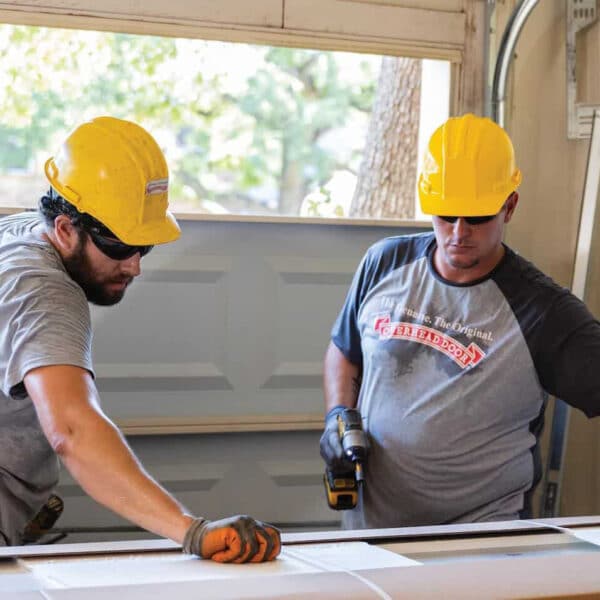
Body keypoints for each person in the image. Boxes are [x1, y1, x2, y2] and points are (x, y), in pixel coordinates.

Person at [0, 116, 281, 562]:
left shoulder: (17, 234)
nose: (134, 267)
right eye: (118, 248)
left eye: (143, 247)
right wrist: (193, 532)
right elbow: (71, 429)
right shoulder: (45, 292)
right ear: (65, 228)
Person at [320, 113, 600, 530]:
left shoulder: (543, 311)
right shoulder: (384, 264)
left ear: (510, 206)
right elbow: (343, 352)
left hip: (483, 540)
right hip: (370, 531)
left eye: (477, 217)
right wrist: (338, 416)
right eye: (445, 215)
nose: (457, 232)